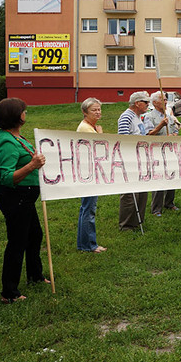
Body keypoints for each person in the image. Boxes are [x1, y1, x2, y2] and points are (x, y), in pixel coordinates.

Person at [0, 98, 47, 303]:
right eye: (23, 111)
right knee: (17, 243)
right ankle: (9, 292)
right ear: (15, 115)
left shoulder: (16, 137)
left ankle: (35, 276)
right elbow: (7, 178)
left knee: (34, 237)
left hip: (26, 199)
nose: (25, 113)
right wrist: (32, 165)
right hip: (16, 198)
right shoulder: (6, 142)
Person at [117, 91, 155, 231]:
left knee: (142, 192)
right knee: (129, 194)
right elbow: (123, 139)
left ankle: (137, 221)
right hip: (130, 160)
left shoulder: (138, 117)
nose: (147, 105)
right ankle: (126, 225)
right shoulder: (126, 116)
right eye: (145, 102)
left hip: (141, 159)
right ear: (137, 103)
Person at [76, 98, 106, 253]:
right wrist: (100, 134)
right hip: (89, 173)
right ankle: (90, 245)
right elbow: (99, 149)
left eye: (99, 109)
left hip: (87, 171)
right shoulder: (86, 129)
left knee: (86, 208)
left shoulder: (89, 127)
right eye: (94, 110)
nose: (98, 112)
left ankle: (83, 244)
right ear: (84, 112)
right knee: (89, 209)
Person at [144, 91, 180, 217]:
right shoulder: (149, 116)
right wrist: (160, 126)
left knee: (171, 176)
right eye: (163, 100)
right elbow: (148, 134)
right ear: (155, 102)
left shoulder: (168, 115)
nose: (166, 102)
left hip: (170, 150)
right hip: (156, 152)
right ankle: (156, 208)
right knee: (159, 179)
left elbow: (175, 129)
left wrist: (174, 135)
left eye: (166, 100)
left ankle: (169, 202)